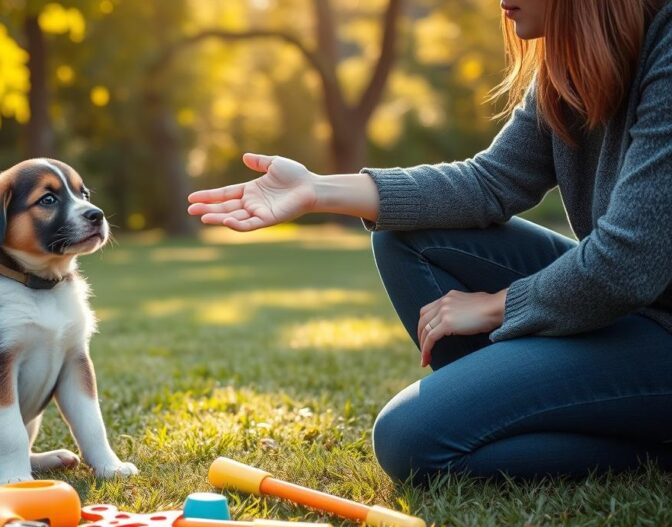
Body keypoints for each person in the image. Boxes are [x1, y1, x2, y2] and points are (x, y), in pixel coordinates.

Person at [187, 0, 672, 482]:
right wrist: (317, 190)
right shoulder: (569, 64)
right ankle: (526, 410)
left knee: (411, 441)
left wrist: (497, 305)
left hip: (658, 324)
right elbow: (488, 182)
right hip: (625, 307)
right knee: (406, 236)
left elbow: (628, 261)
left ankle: (644, 446)